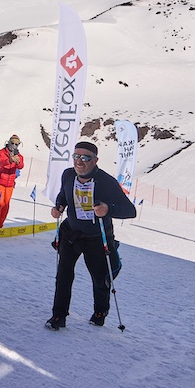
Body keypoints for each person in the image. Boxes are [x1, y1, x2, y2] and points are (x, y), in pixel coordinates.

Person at [46, 141, 136, 330]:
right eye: (76, 156)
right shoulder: (68, 175)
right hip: (71, 233)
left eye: (85, 157)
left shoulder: (106, 182)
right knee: (63, 276)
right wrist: (59, 207)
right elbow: (63, 195)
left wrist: (108, 209)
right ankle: (58, 316)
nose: (79, 161)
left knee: (99, 277)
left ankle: (100, 311)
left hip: (96, 237)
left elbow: (130, 210)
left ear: (95, 160)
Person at [0, 135, 24, 228]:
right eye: (12, 143)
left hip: (9, 184)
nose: (14, 145)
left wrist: (18, 162)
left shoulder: (19, 155)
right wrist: (9, 160)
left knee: (5, 206)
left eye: (17, 144)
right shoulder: (1, 152)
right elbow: (0, 162)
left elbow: (21, 166)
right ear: (8, 142)